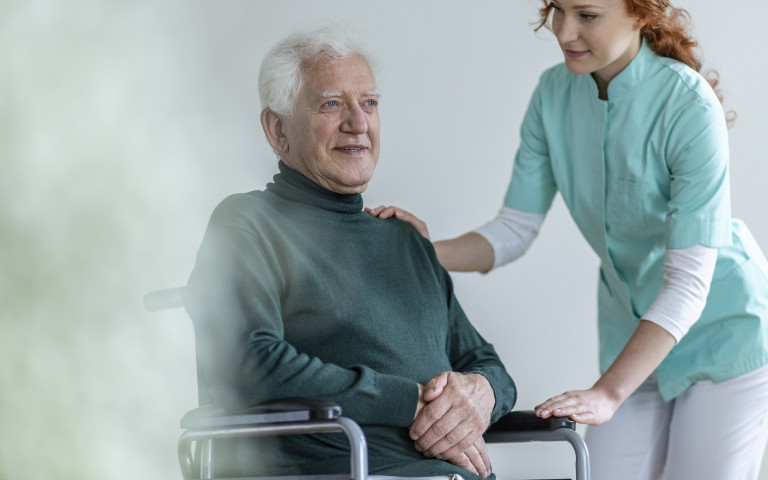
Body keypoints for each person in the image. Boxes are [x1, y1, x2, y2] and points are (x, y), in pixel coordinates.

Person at [368, 1, 768, 479]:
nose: (564, 31)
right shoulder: (552, 95)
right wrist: (421, 251)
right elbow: (513, 230)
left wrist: (608, 393)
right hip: (630, 340)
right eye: (557, 10)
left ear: (640, 14)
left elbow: (686, 284)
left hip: (724, 336)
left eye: (587, 15)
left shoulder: (689, 105)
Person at [183, 26, 516, 480]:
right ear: (278, 129)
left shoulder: (405, 239)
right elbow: (247, 361)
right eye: (331, 104)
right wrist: (409, 403)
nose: (358, 123)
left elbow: (484, 361)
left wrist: (483, 393)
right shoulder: (247, 224)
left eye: (370, 104)